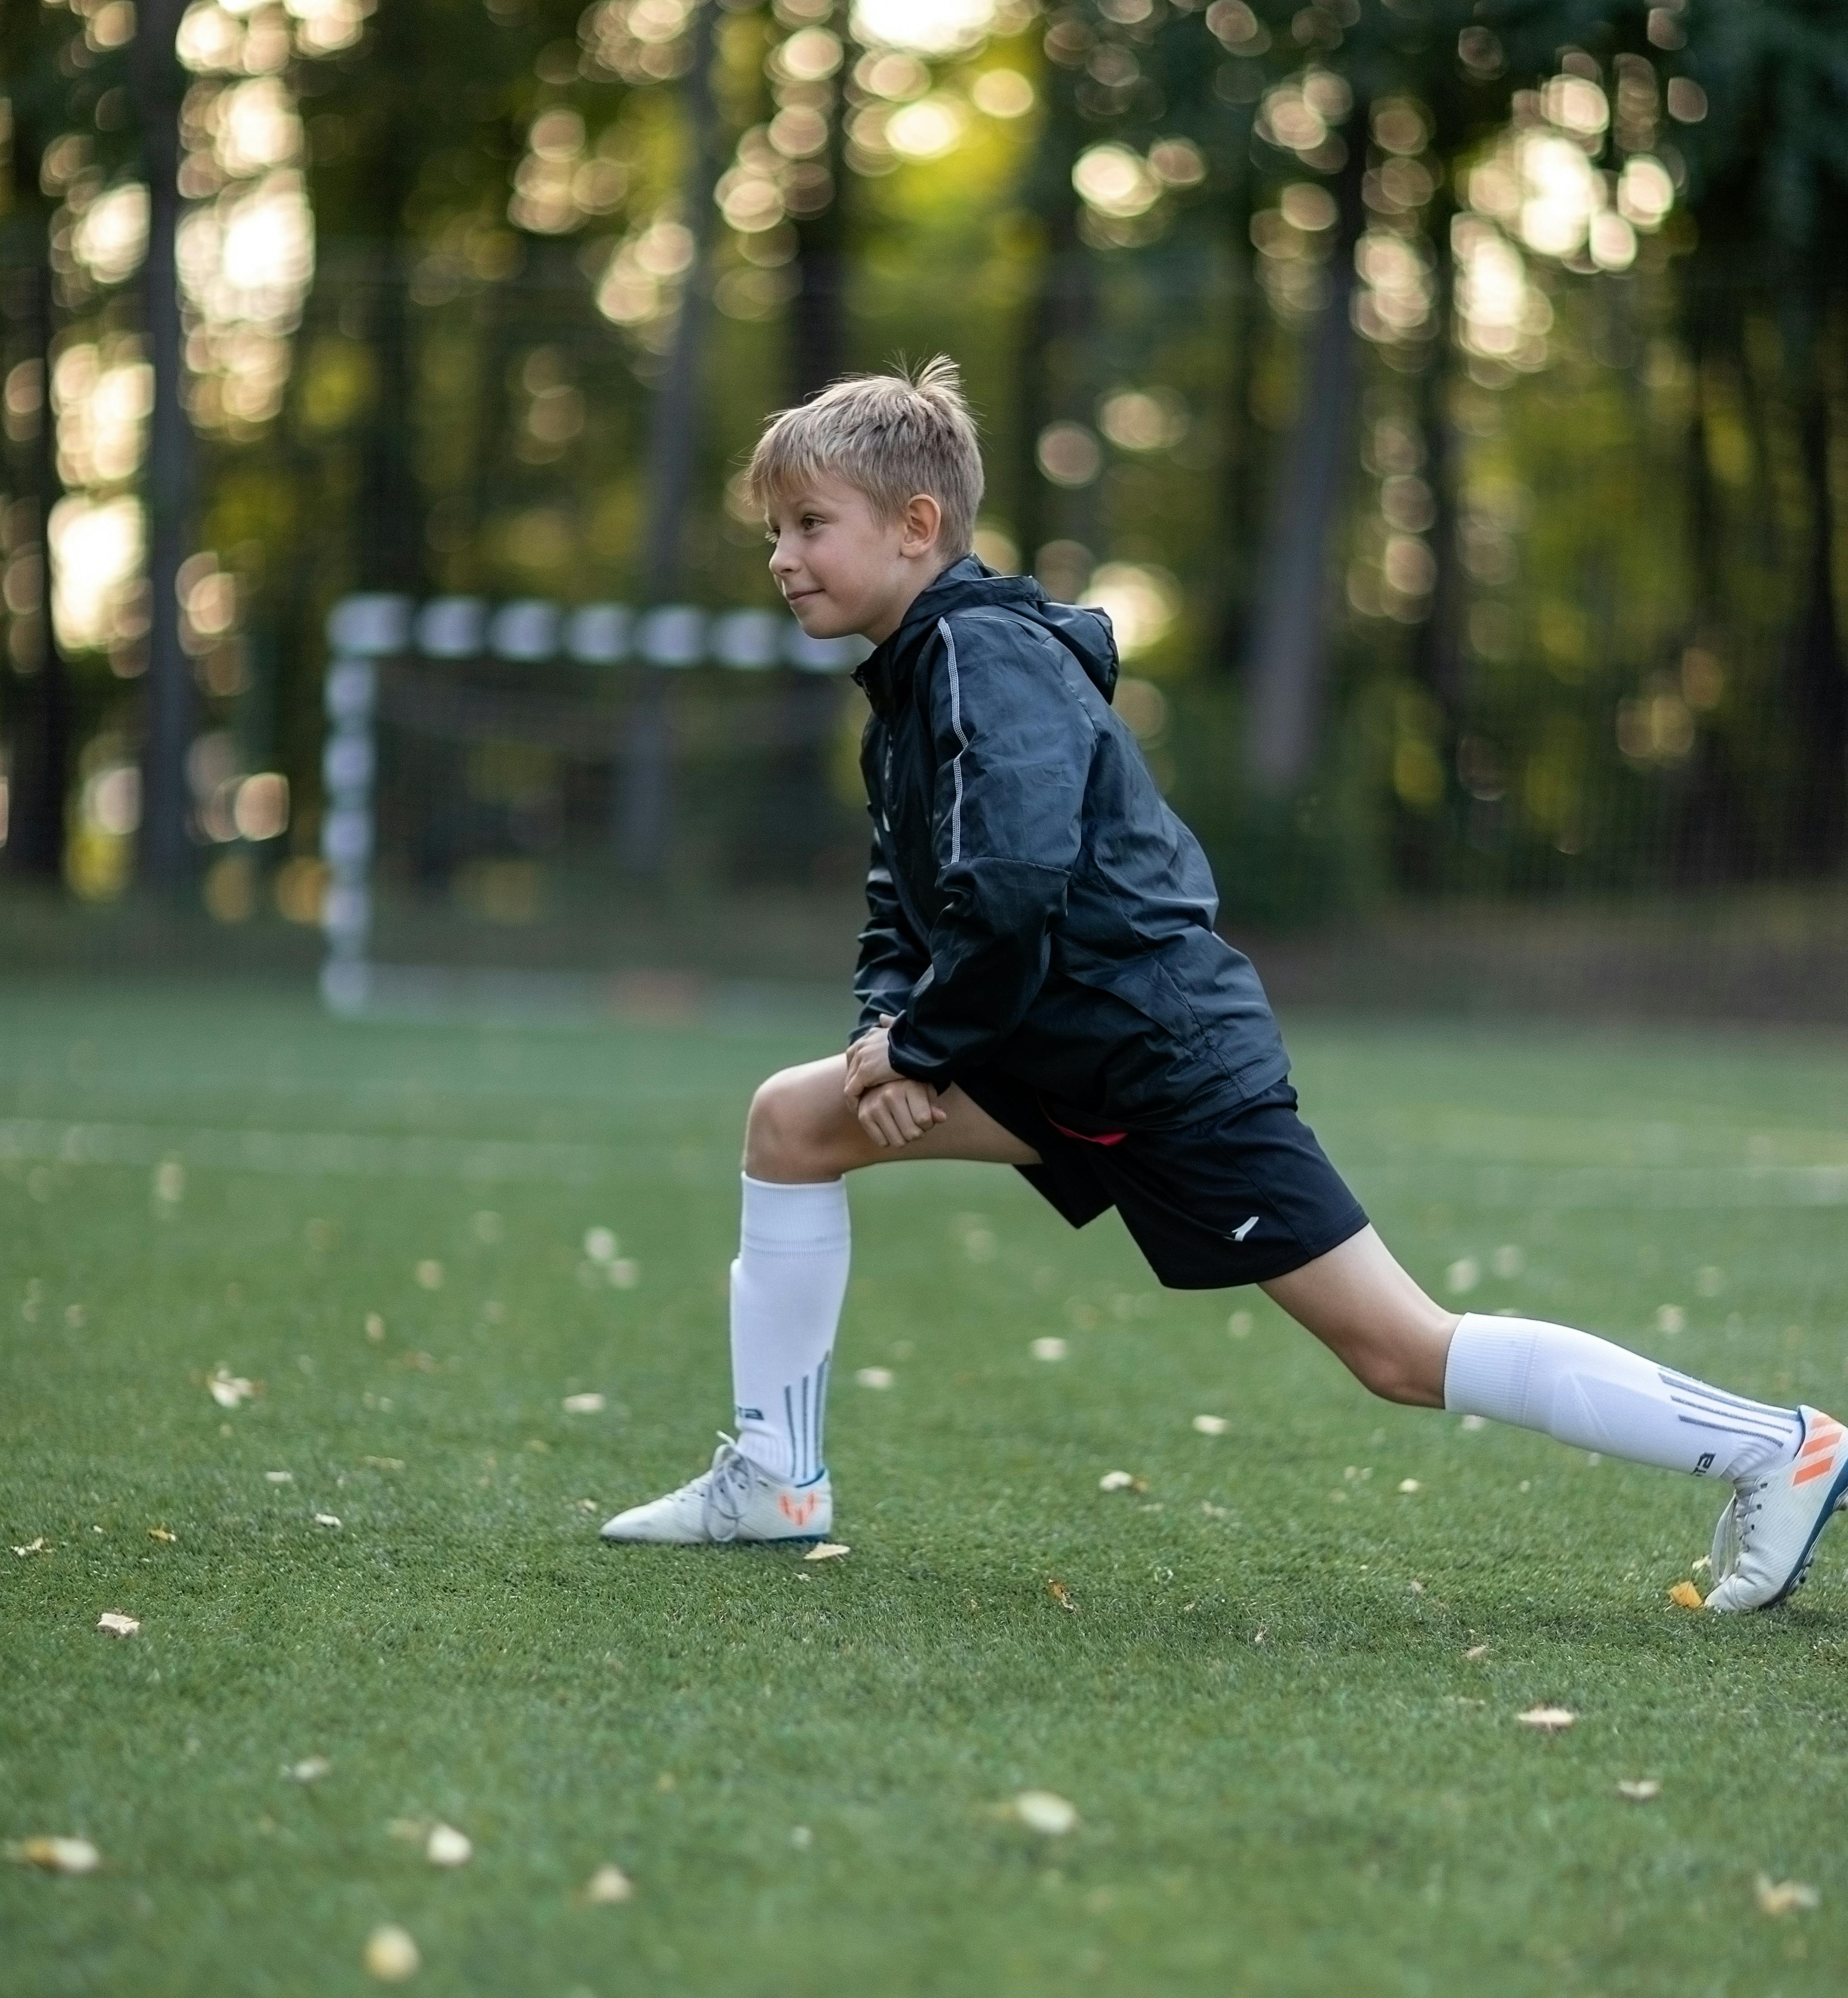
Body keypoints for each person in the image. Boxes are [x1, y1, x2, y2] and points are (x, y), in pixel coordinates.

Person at [603, 361, 1846, 1610]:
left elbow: (1017, 884)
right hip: (1054, 1052)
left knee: (1400, 1350)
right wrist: (888, 1031)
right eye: (776, 531)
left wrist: (922, 1048)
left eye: (810, 524)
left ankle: (1778, 1447)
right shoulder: (910, 686)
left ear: (916, 526)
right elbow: (905, 899)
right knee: (794, 1123)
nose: (782, 557)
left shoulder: (983, 656)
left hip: (1159, 1063)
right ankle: (778, 1480)